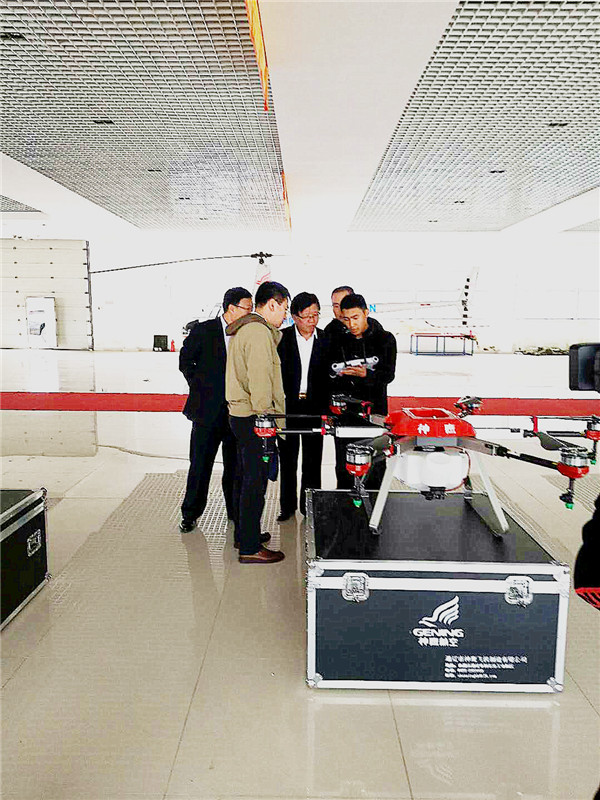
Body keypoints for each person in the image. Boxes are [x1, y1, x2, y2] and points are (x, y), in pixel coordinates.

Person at [178, 287, 253, 533]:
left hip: (236, 413)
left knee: (236, 467)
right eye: (247, 308)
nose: (250, 312)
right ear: (231, 308)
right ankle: (190, 514)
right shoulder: (204, 330)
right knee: (200, 465)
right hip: (207, 413)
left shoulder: (247, 333)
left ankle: (235, 512)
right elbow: (185, 361)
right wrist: (199, 386)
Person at [226, 281, 290, 564]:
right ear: (272, 304)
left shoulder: (247, 329)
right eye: (284, 308)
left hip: (241, 415)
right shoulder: (259, 332)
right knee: (255, 483)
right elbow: (260, 380)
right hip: (255, 418)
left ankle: (245, 534)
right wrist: (267, 418)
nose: (285, 316)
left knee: (245, 477)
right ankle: (250, 547)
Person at [328, 293, 397, 490]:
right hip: (345, 414)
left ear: (366, 313)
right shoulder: (337, 340)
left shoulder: (385, 339)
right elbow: (327, 374)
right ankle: (345, 503)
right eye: (346, 319)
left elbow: (388, 375)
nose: (351, 324)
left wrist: (367, 375)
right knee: (344, 465)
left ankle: (375, 503)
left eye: (355, 317)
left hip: (374, 413)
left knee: (375, 464)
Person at [277, 292, 328, 521]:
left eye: (315, 315)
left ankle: (310, 506)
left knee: (313, 459)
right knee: (287, 458)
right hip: (288, 405)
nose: (312, 320)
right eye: (307, 316)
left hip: (315, 406)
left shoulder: (326, 339)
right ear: (295, 317)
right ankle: (287, 507)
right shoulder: (282, 338)